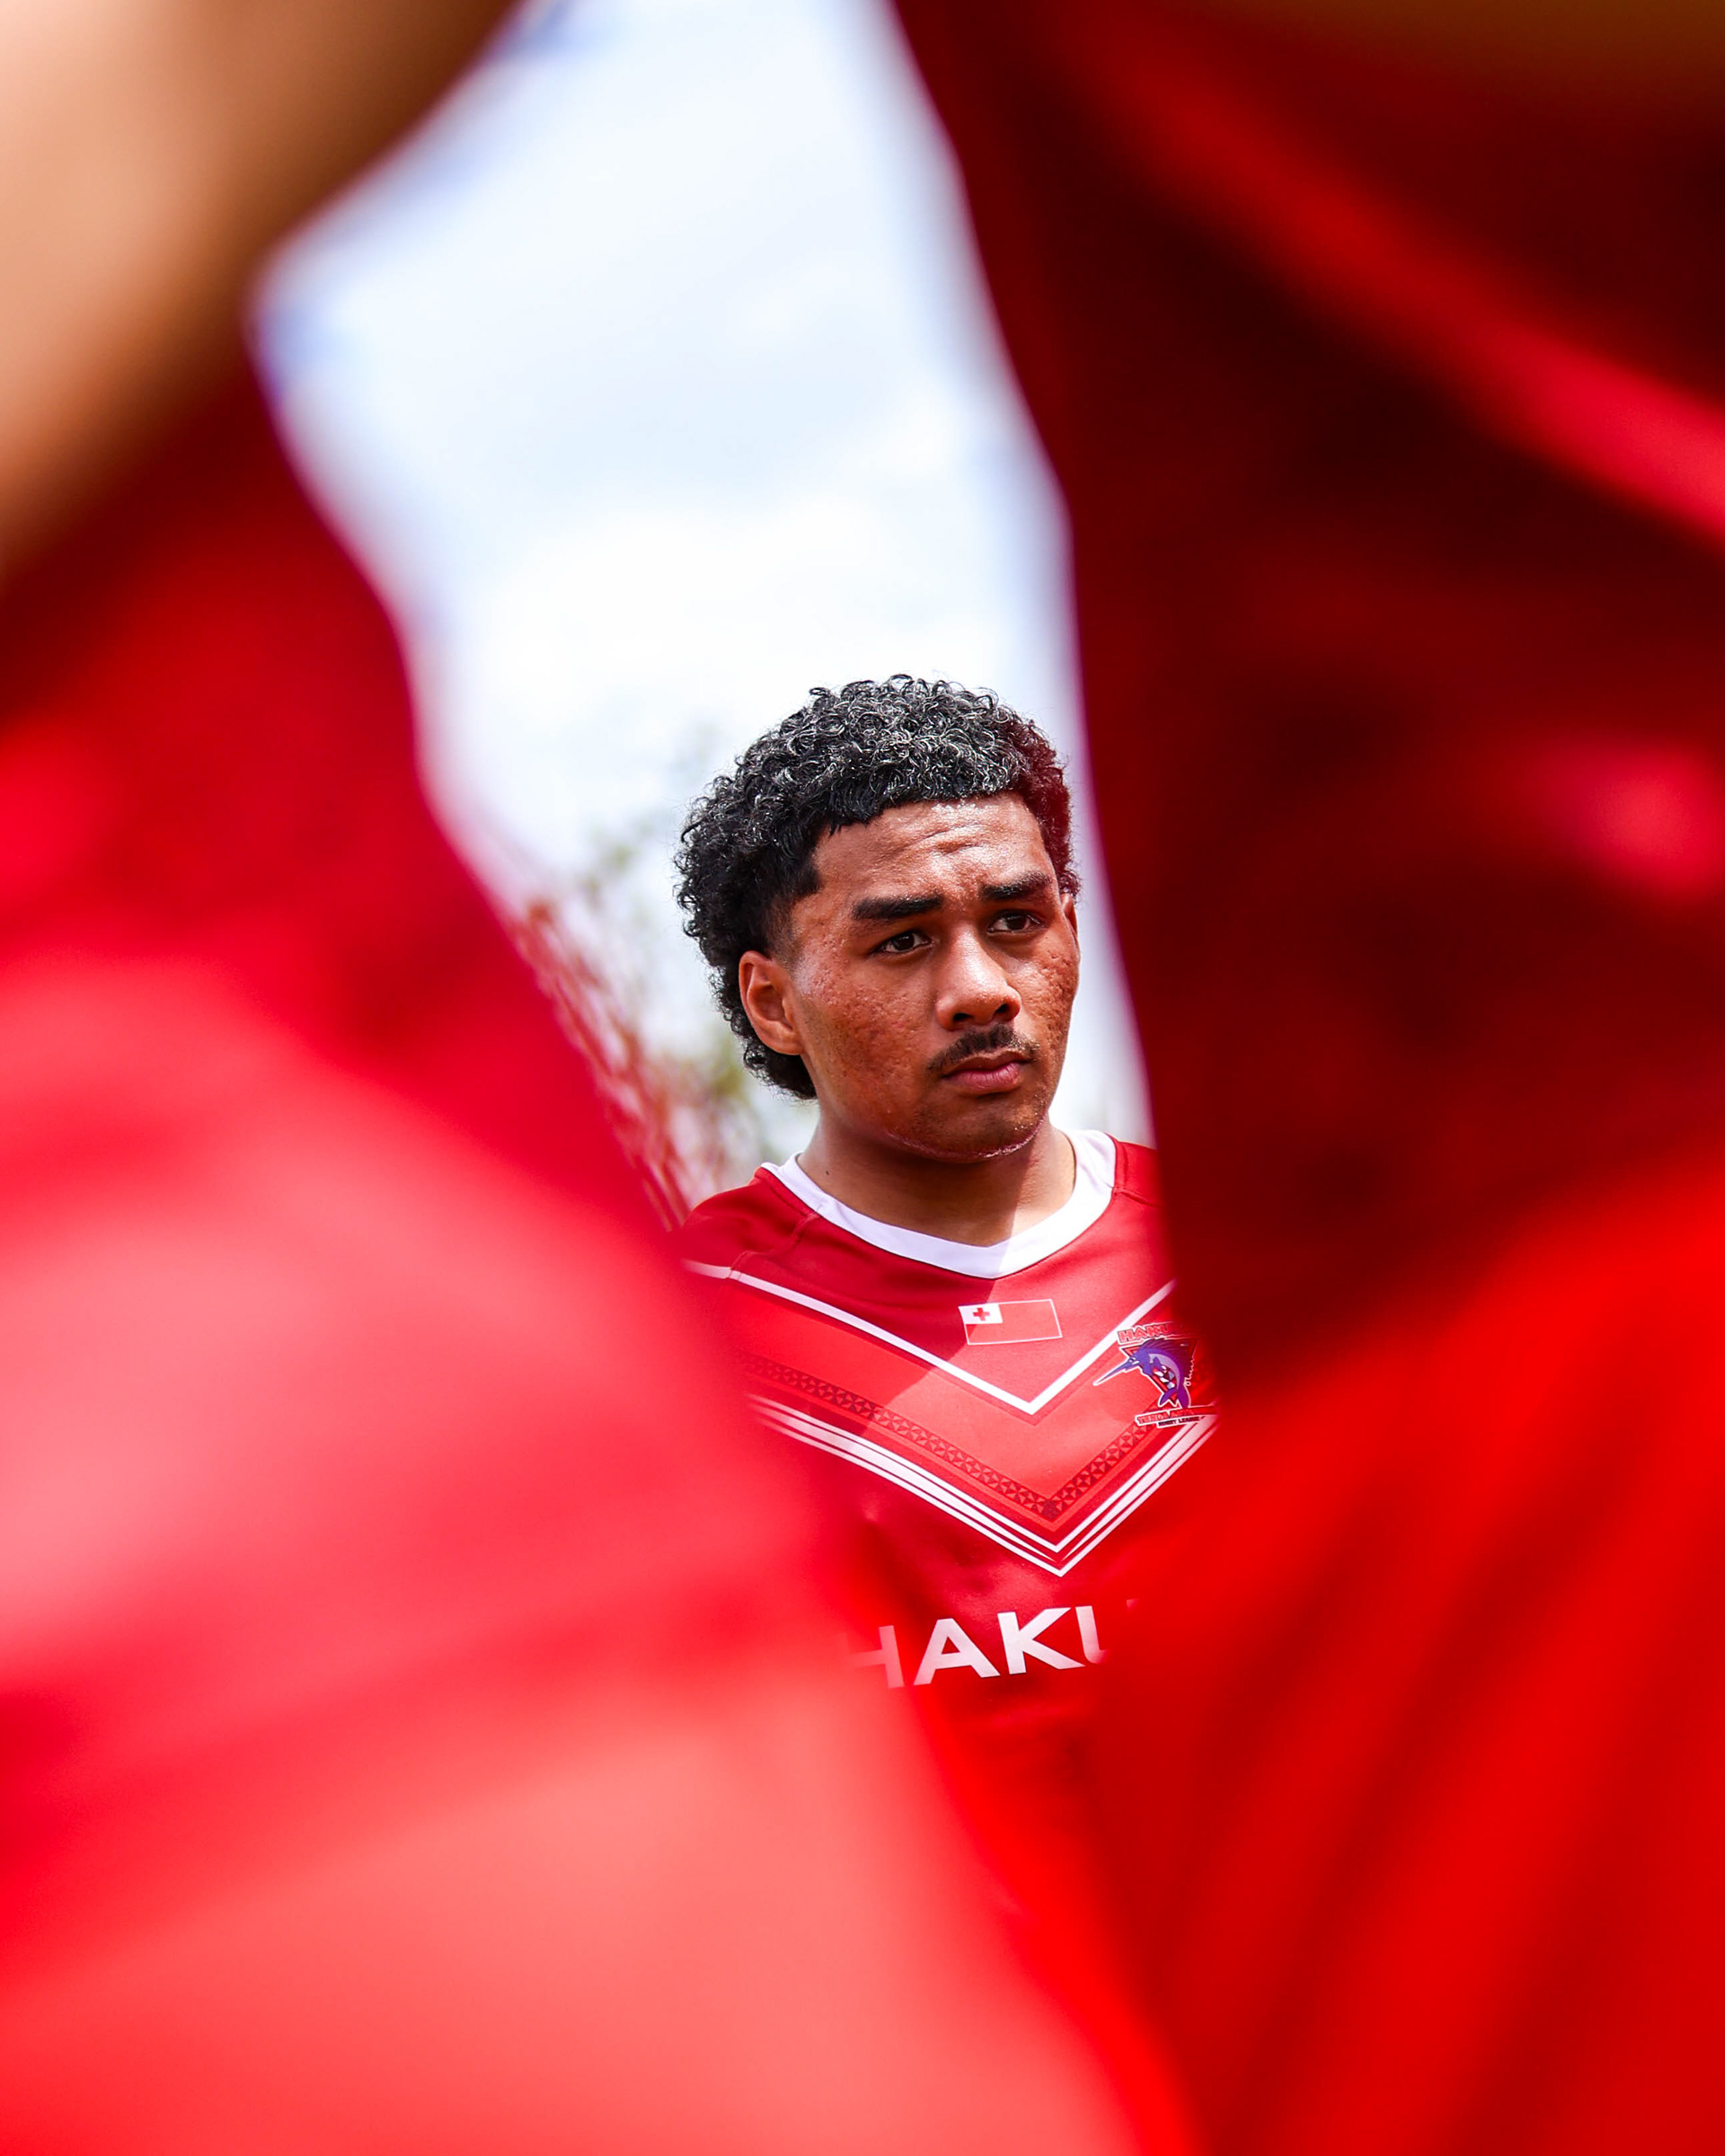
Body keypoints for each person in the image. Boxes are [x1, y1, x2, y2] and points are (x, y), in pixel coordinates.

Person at [676, 675, 1217, 1894]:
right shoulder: (677, 1343)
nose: (980, 987)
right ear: (773, 1002)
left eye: (1017, 920)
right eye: (903, 940)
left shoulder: (1243, 1257)